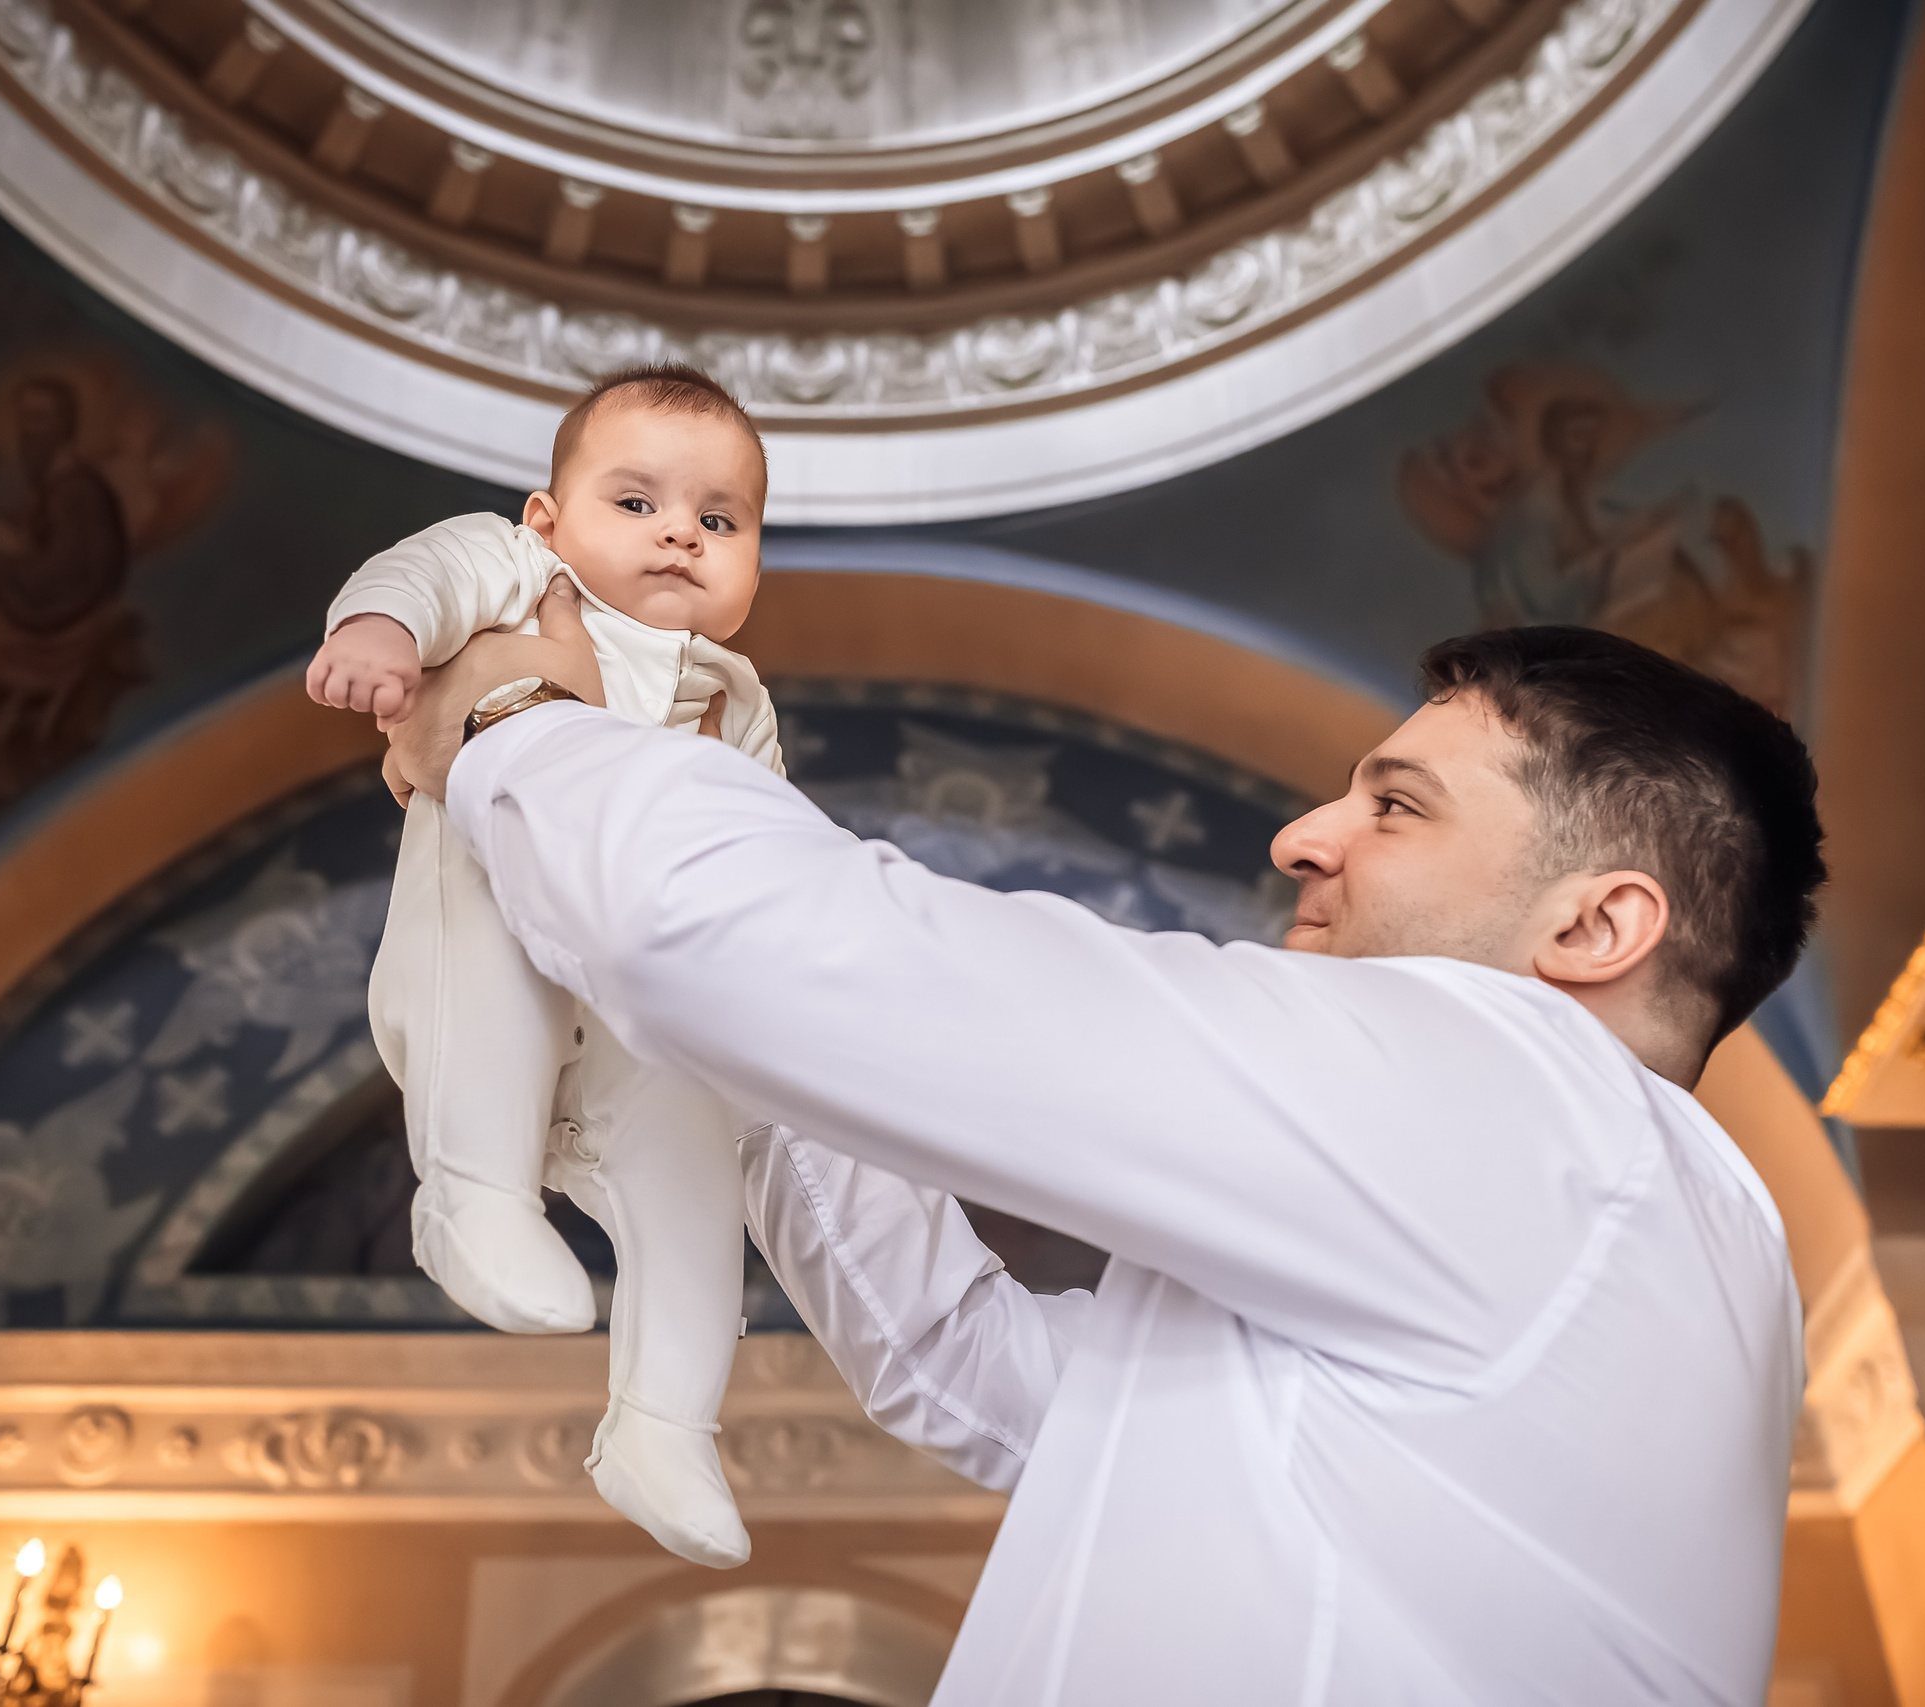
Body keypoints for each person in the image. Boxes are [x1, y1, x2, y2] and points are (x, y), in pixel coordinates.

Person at [384, 606, 1825, 1705]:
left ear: (1592, 928)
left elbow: (754, 944)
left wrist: (518, 715)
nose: (1303, 834)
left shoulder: (1535, 1108)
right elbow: (964, 1359)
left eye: (1396, 803)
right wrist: (743, 1054)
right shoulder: (1596, 1221)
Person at [302, 365, 782, 1569]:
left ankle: (666, 1423)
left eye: (718, 521)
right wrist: (378, 634)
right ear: (548, 519)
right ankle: (474, 1192)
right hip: (497, 915)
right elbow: (420, 574)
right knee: (495, 955)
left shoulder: (738, 696)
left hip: (643, 986)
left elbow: (777, 845)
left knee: (693, 1172)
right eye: (638, 502)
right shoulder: (521, 574)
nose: (680, 530)